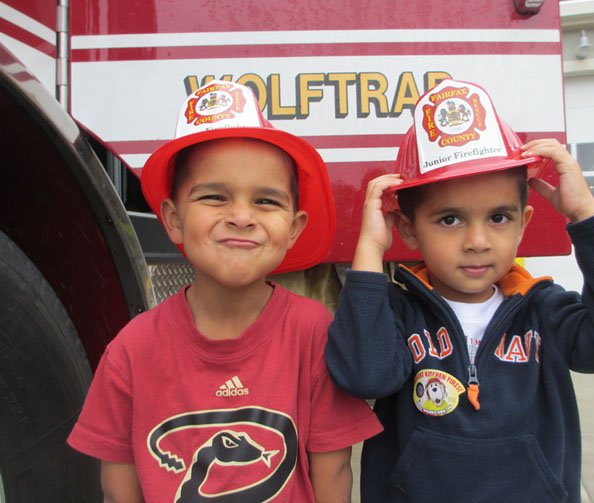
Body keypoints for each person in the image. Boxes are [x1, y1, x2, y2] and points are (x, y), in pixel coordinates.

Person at [325, 78, 594, 502]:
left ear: (524, 222)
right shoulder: (394, 311)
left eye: (499, 218)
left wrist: (586, 216)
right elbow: (365, 375)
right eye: (450, 219)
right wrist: (370, 250)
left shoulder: (544, 310)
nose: (478, 241)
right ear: (410, 231)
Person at [67, 80, 382, 502]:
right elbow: (118, 491)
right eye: (214, 197)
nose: (240, 217)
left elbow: (334, 475)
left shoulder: (314, 334)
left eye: (266, 202)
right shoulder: (131, 353)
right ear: (173, 219)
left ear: (294, 229)